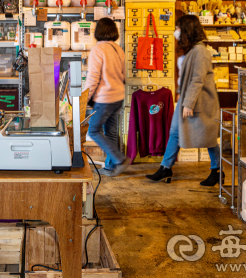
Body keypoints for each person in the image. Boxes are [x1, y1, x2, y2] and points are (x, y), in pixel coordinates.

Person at [146, 15, 222, 186]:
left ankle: (216, 170)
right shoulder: (193, 50)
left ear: (187, 30)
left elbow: (197, 79)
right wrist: (181, 95)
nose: (176, 32)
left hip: (200, 103)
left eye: (178, 28)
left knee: (208, 138)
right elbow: (186, 78)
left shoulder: (201, 51)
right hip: (188, 100)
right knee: (174, 132)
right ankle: (166, 167)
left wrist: (188, 103)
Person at [84, 17, 129, 177]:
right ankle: (111, 167)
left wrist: (85, 97)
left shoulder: (98, 49)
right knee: (110, 132)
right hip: (118, 97)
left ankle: (119, 159)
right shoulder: (118, 49)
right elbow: (123, 74)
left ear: (98, 31)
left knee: (94, 130)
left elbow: (93, 77)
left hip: (105, 98)